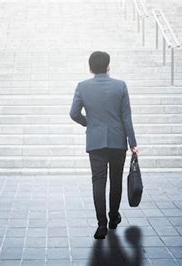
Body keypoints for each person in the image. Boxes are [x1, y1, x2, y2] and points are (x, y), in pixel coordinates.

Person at [70, 51, 138, 239]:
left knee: (98, 182)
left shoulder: (83, 87)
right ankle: (113, 218)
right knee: (116, 181)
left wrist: (89, 123)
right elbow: (126, 117)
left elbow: (74, 113)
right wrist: (133, 143)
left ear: (90, 68)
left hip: (95, 142)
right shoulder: (120, 86)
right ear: (108, 66)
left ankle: (101, 225)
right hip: (117, 142)